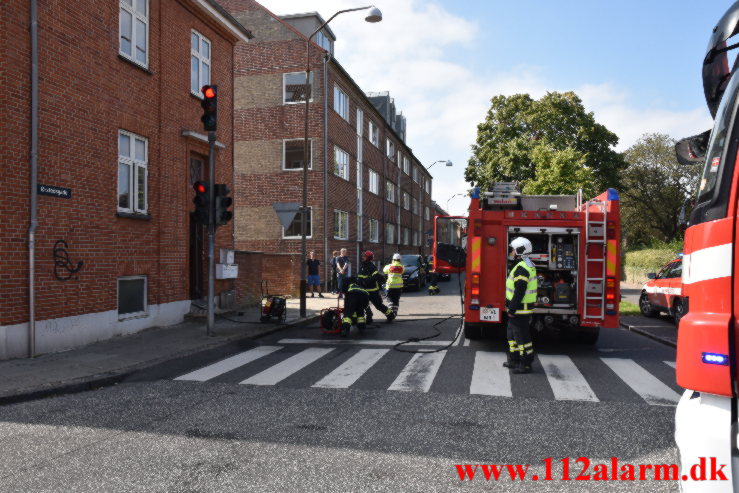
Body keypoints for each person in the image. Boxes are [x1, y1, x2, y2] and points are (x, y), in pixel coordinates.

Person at [503, 237, 538, 374]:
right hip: (519, 309)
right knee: (511, 335)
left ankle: (526, 364)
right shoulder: (523, 264)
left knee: (522, 338)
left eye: (512, 249)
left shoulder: (522, 268)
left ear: (519, 250)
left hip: (520, 310)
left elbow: (520, 291)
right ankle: (514, 360)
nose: (511, 252)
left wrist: (512, 309)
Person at [357, 250, 395, 323]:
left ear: (368, 258)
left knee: (378, 305)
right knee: (364, 305)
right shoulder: (362, 266)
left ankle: (390, 314)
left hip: (373, 290)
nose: (363, 257)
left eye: (364, 256)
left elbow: (375, 277)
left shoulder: (372, 266)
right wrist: (358, 283)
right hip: (364, 290)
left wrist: (366, 281)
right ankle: (369, 317)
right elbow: (359, 277)